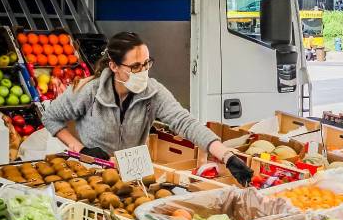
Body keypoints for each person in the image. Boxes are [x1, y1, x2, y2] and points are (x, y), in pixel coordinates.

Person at [42, 32, 252, 184]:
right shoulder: (89, 91)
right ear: (113, 66)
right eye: (135, 67)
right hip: (92, 173)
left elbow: (185, 122)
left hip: (134, 173)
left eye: (146, 63)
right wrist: (80, 149)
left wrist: (227, 156)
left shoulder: (153, 92)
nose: (142, 72)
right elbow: (51, 117)